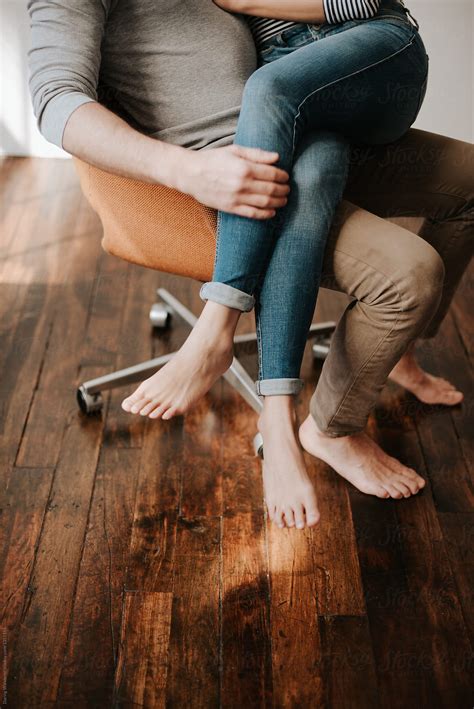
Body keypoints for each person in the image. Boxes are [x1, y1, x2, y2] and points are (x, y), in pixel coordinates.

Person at [28, 0, 473, 531]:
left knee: (468, 182)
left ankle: (395, 351)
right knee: (409, 276)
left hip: (311, 126)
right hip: (228, 174)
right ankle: (328, 429)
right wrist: (186, 170)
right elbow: (56, 100)